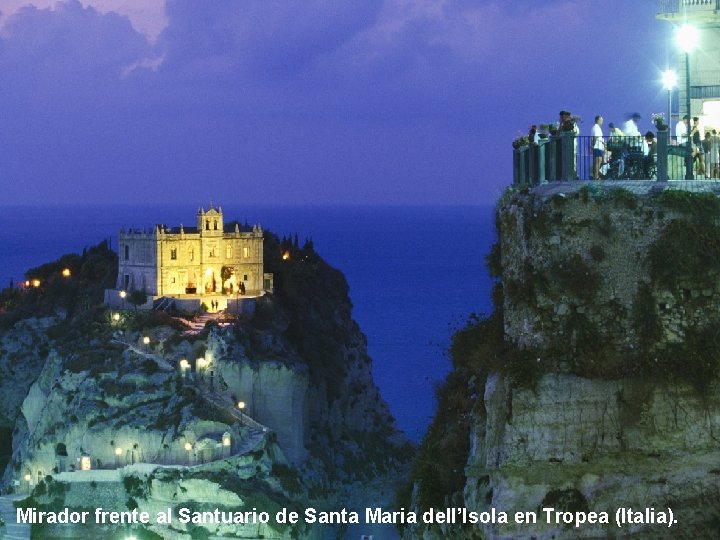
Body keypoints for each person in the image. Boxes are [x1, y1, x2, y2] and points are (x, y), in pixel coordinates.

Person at [591, 115, 605, 180]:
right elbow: (595, 137)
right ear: (597, 120)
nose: (602, 122)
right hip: (597, 146)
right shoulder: (596, 127)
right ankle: (596, 176)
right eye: (601, 120)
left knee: (599, 161)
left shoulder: (597, 128)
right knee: (597, 161)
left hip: (599, 146)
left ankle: (596, 175)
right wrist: (593, 146)